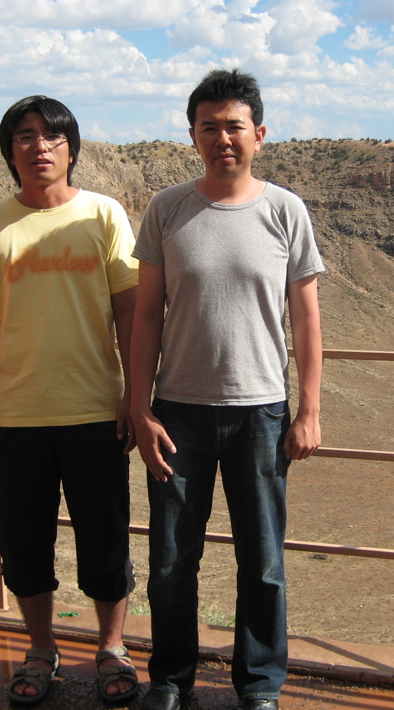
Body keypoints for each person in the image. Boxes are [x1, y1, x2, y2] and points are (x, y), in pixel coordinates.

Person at [131, 68, 325, 710]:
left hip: (261, 413)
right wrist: (139, 408)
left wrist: (309, 409)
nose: (222, 138)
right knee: (169, 562)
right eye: (208, 127)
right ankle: (170, 680)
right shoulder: (167, 209)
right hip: (177, 414)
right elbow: (146, 315)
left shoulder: (284, 210)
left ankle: (260, 685)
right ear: (192, 135)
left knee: (263, 563)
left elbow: (306, 316)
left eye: (234, 126)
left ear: (259, 135)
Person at [0, 95, 140, 707]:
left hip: (94, 410)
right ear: (10, 151)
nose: (39, 147)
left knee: (105, 538)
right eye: (25, 136)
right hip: (17, 415)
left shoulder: (104, 215)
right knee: (25, 543)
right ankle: (41, 649)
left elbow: (130, 311)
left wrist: (135, 396)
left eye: (52, 136)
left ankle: (111, 649)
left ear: (71, 148)